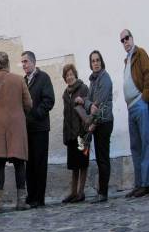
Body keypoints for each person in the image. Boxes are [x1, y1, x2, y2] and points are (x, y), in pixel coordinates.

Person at [0, 51, 33, 212]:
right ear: (8, 63)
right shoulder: (19, 80)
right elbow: (28, 103)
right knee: (19, 163)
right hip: (16, 125)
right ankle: (21, 201)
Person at [76, 50, 114, 202]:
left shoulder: (105, 79)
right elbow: (90, 104)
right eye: (93, 61)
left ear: (101, 62)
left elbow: (98, 104)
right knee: (99, 158)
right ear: (90, 64)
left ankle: (103, 193)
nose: (96, 63)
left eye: (98, 60)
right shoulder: (93, 80)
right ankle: (101, 191)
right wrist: (86, 103)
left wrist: (86, 103)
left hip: (104, 122)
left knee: (103, 158)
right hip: (98, 122)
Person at [21, 50, 55, 208]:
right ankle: (31, 195)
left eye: (26, 61)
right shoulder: (23, 81)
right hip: (27, 129)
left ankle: (39, 198)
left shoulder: (43, 78)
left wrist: (36, 114)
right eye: (22, 62)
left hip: (40, 128)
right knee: (30, 164)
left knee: (40, 164)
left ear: (33, 62)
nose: (24, 65)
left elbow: (49, 100)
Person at [120, 29, 149, 198]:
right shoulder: (127, 60)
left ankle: (146, 183)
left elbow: (148, 74)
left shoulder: (140, 53)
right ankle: (139, 183)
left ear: (132, 38)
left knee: (145, 143)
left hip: (140, 104)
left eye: (127, 38)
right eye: (122, 40)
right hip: (131, 107)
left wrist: (145, 98)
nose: (125, 42)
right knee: (136, 146)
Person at [60, 64, 90, 203]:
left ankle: (81, 192)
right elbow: (66, 115)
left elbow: (88, 109)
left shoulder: (83, 88)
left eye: (71, 74)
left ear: (75, 75)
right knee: (73, 164)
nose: (69, 77)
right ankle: (73, 192)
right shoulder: (66, 93)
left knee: (82, 163)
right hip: (71, 134)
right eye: (67, 75)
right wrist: (65, 134)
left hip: (82, 133)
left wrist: (85, 130)